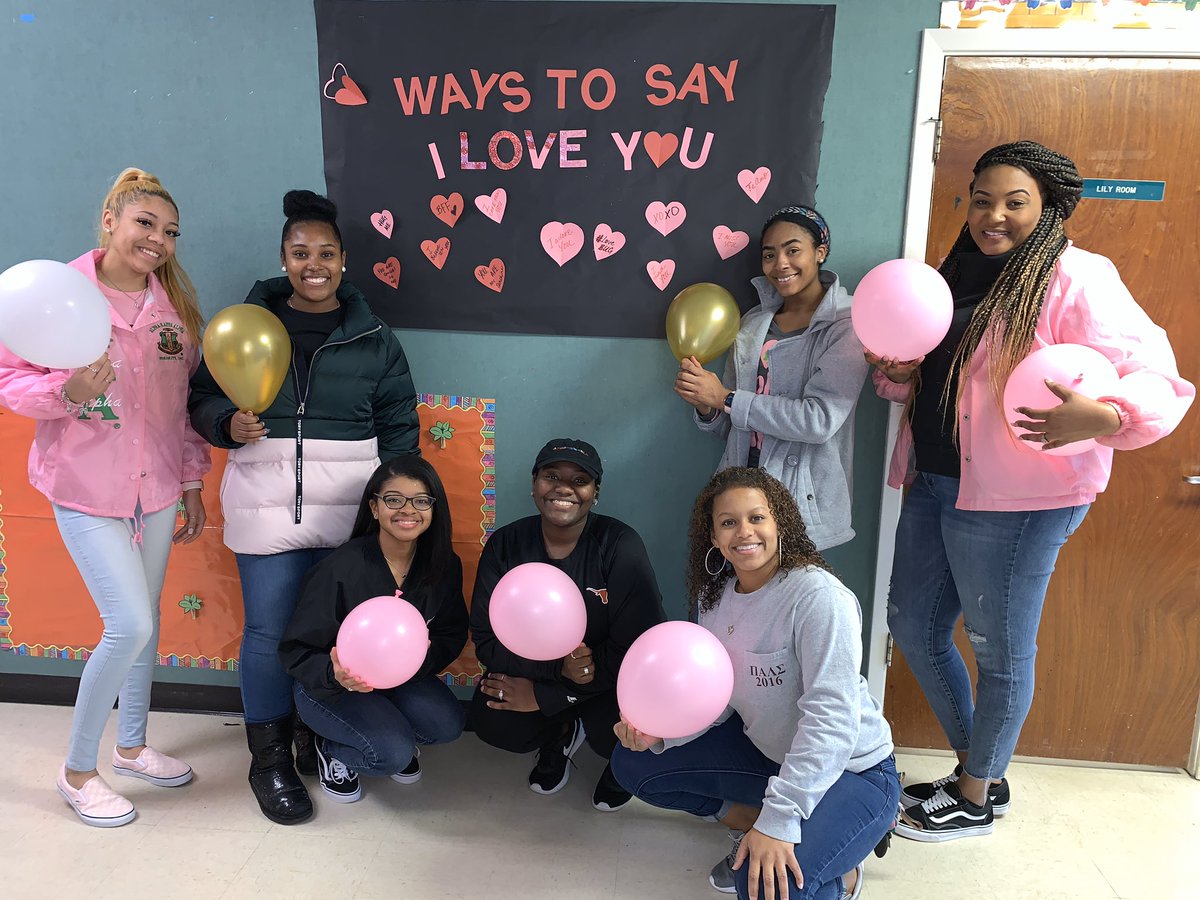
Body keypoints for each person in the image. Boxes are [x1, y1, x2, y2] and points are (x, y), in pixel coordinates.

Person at [869, 141, 1195, 842]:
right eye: (982, 199)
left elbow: (1154, 370)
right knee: (913, 627)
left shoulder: (1077, 277)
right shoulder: (954, 272)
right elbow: (942, 381)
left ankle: (976, 795)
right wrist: (897, 371)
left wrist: (1109, 415)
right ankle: (977, 769)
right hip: (934, 478)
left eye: (1014, 202)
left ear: (1046, 207)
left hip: (1021, 500)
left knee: (999, 650)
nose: (994, 215)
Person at [188, 189, 420, 825]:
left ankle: (321, 735)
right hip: (265, 503)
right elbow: (202, 398)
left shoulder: (375, 337)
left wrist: (395, 507)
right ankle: (269, 758)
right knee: (267, 633)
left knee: (336, 634)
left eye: (325, 253)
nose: (312, 264)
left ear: (344, 260)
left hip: (348, 513)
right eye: (299, 253)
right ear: (283, 258)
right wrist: (223, 425)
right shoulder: (245, 323)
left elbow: (400, 424)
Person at [0, 168, 211, 827]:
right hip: (85, 490)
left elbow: (176, 411)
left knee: (145, 619)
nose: (157, 239)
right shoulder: (59, 294)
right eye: (145, 223)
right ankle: (77, 770)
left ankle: (132, 745)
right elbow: (11, 382)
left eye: (170, 231)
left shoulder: (172, 314)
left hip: (156, 489)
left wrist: (192, 481)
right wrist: (67, 394)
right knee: (131, 625)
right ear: (111, 222)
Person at [610, 468, 898, 900]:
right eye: (728, 522)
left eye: (757, 518)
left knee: (765, 887)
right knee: (634, 762)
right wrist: (661, 732)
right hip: (769, 757)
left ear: (780, 522)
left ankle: (843, 870)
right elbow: (717, 699)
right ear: (713, 537)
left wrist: (781, 819)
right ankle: (754, 824)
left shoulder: (819, 598)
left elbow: (832, 721)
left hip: (853, 771)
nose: (744, 532)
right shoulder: (714, 600)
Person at [469, 438, 666, 811]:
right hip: (543, 672)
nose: (564, 488)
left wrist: (550, 696)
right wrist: (557, 673)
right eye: (552, 476)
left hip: (609, 680)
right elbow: (486, 639)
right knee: (493, 716)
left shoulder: (619, 544)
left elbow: (638, 648)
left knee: (627, 731)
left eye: (579, 480)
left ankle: (619, 769)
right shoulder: (505, 545)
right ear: (534, 484)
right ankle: (559, 733)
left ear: (595, 493)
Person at [675, 206, 868, 552]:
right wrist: (707, 406)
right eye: (769, 254)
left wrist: (726, 398)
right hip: (737, 499)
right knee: (723, 600)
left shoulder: (847, 323)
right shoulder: (753, 323)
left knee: (785, 602)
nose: (780, 263)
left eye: (793, 250)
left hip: (798, 504)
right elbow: (732, 427)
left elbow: (819, 421)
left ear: (820, 252)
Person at [278, 456, 468, 803]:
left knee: (447, 726)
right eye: (393, 499)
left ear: (433, 509)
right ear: (374, 507)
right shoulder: (341, 567)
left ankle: (387, 730)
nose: (407, 510)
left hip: (403, 679)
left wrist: (420, 658)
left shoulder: (443, 565)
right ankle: (333, 749)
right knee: (390, 754)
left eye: (421, 501)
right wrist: (333, 674)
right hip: (331, 687)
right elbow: (295, 650)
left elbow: (452, 632)